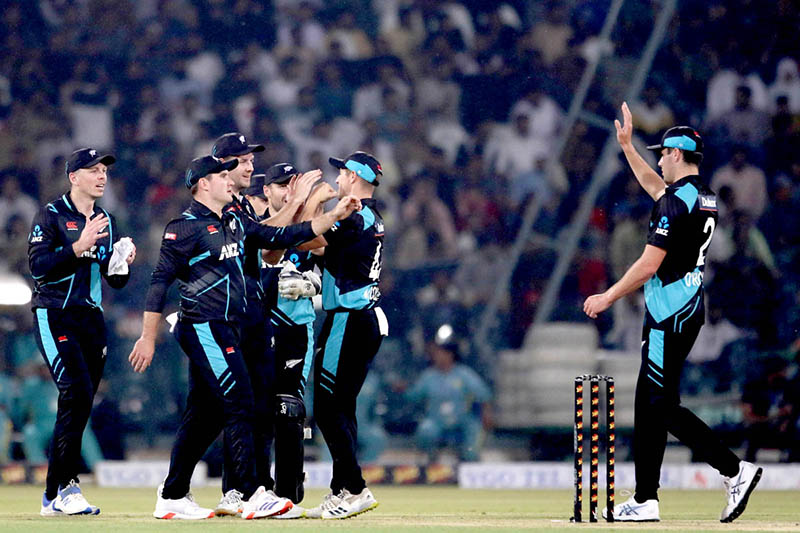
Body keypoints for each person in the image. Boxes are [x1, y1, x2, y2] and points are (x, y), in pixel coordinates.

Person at [127, 154, 360, 520]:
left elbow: (281, 236)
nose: (231, 180)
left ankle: (172, 494)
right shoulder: (183, 227)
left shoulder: (234, 219)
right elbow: (158, 283)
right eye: (223, 175)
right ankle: (251, 492)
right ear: (204, 183)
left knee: (205, 415)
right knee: (240, 402)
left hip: (228, 327)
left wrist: (333, 216)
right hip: (203, 326)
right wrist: (147, 336)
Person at [583, 103, 761, 523]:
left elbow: (648, 264)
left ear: (677, 155)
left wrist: (607, 296)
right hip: (687, 304)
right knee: (649, 403)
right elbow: (654, 185)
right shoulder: (701, 196)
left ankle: (735, 470)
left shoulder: (673, 205)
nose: (659, 159)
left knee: (661, 405)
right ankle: (646, 499)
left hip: (669, 313)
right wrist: (628, 147)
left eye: (663, 153)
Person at [29, 148, 136, 516]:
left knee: (81, 402)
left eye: (104, 170)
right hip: (55, 313)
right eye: (93, 170)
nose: (102, 175)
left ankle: (51, 495)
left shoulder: (106, 217)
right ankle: (68, 488)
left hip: (91, 318)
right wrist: (77, 246)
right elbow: (38, 267)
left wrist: (122, 260)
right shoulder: (52, 215)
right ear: (74, 177)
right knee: (75, 393)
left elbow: (114, 280)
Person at [303, 151, 388, 520]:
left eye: (341, 172)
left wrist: (309, 202)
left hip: (347, 320)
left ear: (354, 176)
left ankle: (354, 488)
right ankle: (341, 489)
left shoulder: (354, 217)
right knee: (343, 407)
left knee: (326, 407)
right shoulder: (371, 216)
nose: (337, 178)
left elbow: (308, 240)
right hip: (360, 318)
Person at [258, 163, 336, 507]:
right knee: (254, 408)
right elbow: (263, 250)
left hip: (295, 327)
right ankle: (255, 489)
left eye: (292, 185)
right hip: (258, 325)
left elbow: (323, 249)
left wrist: (313, 283)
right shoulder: (257, 221)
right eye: (280, 186)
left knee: (288, 406)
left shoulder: (306, 225)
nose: (287, 191)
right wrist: (303, 203)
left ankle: (289, 492)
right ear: (267, 192)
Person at [405, 325, 492, 462]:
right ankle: (430, 462)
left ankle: (469, 465)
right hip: (436, 421)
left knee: (474, 430)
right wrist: (404, 389)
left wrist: (486, 413)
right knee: (426, 430)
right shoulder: (429, 376)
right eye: (436, 353)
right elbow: (413, 395)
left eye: (441, 353)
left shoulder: (464, 374)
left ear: (450, 354)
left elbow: (483, 394)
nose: (437, 356)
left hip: (461, 421)